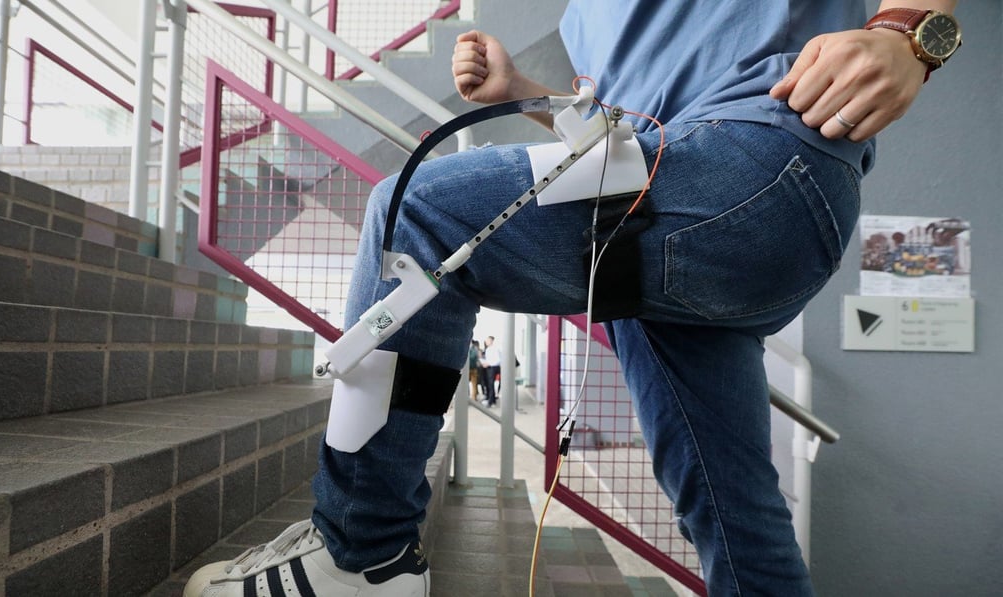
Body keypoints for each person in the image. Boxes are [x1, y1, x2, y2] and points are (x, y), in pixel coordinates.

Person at [184, 1, 961, 595]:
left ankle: (361, 551)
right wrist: (522, 92)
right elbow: (632, 129)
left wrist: (907, 33)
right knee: (730, 508)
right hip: (692, 197)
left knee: (416, 205)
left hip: (760, 157)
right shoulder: (585, 16)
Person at [481, 335, 501, 407]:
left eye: (487, 340)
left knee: (491, 384)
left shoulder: (495, 349)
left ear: (491, 341)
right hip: (488, 367)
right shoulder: (488, 349)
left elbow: (498, 360)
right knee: (488, 384)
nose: (486, 342)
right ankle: (491, 399)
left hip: (493, 368)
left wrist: (488, 363)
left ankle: (491, 401)